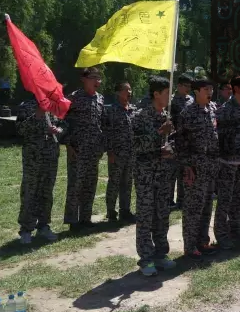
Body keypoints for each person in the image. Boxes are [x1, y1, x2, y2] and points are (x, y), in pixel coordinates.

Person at [132, 76, 176, 277]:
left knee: (162, 215)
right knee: (146, 216)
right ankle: (146, 259)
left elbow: (173, 141)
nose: (170, 96)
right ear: (156, 94)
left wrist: (171, 149)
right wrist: (159, 133)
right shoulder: (140, 116)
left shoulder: (167, 116)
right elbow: (134, 145)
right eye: (167, 93)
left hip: (164, 173)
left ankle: (160, 253)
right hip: (146, 174)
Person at [177, 77, 220, 261]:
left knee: (207, 206)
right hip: (195, 168)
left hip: (210, 167)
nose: (210, 92)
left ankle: (203, 241)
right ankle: (190, 246)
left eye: (211, 89)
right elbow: (180, 143)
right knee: (193, 209)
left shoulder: (212, 109)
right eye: (206, 89)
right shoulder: (188, 113)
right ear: (196, 92)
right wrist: (187, 166)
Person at [16, 99, 67, 244]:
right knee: (30, 191)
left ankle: (43, 226)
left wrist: (59, 130)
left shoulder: (55, 105)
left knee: (47, 192)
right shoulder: (26, 106)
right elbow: (20, 129)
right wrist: (37, 114)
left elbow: (64, 124)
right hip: (33, 157)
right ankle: (26, 229)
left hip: (51, 156)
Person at [63, 67, 106, 230]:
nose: (97, 81)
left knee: (90, 184)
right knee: (75, 185)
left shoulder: (100, 98)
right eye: (93, 77)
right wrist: (68, 144)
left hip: (94, 150)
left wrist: (102, 146)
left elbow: (102, 123)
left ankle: (85, 218)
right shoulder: (74, 98)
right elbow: (62, 121)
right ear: (84, 79)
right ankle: (72, 221)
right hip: (77, 149)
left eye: (98, 78)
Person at [214, 75, 240, 249]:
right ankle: (221, 234)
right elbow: (218, 135)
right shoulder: (225, 109)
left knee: (239, 198)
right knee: (225, 199)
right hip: (228, 162)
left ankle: (236, 229)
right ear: (236, 88)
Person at [104, 81, 137, 223]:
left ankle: (125, 210)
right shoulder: (112, 110)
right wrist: (110, 152)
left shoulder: (133, 110)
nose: (129, 92)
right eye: (126, 90)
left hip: (131, 154)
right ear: (118, 92)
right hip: (117, 154)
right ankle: (111, 211)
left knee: (127, 183)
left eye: (130, 90)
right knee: (114, 183)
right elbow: (107, 132)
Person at [169, 73, 194, 210]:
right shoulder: (171, 100)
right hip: (174, 141)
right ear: (178, 86)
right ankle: (169, 200)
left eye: (190, 86)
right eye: (185, 86)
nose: (188, 88)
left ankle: (182, 200)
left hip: (187, 142)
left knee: (184, 171)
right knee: (172, 172)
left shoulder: (191, 100)